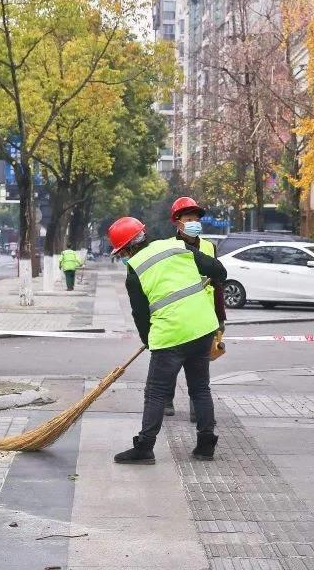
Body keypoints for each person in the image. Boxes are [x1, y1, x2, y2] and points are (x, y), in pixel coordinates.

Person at [107, 216, 227, 464]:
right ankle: (206, 445)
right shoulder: (176, 246)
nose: (122, 257)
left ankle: (145, 447)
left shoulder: (134, 270)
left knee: (156, 392)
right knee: (200, 388)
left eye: (121, 252)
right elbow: (219, 271)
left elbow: (140, 314)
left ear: (129, 247)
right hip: (203, 327)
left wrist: (149, 340)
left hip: (170, 335)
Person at [163, 197, 227, 418]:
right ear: (177, 222)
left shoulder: (209, 246)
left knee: (200, 368)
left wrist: (221, 318)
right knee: (171, 363)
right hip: (177, 315)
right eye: (188, 219)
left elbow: (218, 283)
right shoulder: (169, 248)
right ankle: (166, 399)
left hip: (204, 317)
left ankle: (196, 408)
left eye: (196, 219)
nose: (194, 223)